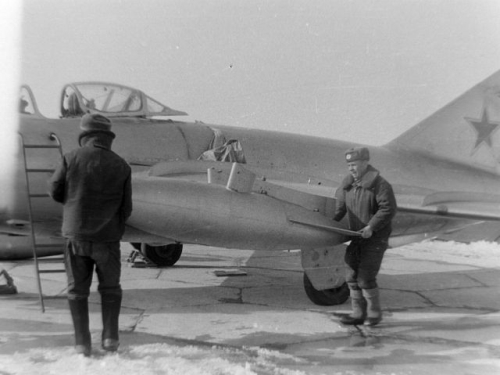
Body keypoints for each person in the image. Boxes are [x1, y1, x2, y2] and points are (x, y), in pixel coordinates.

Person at [48, 113, 132, 356]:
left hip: (76, 238)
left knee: (77, 291)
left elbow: (55, 190)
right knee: (111, 289)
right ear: (108, 138)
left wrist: (74, 205)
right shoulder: (121, 165)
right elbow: (127, 209)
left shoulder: (70, 158)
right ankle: (110, 340)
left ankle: (82, 343)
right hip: (107, 240)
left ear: (84, 135)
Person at [333, 147, 397, 326]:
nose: (351, 169)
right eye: (349, 165)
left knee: (365, 278)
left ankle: (374, 314)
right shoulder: (347, 185)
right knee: (351, 275)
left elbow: (388, 209)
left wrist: (371, 226)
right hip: (357, 237)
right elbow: (339, 210)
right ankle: (358, 314)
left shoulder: (380, 184)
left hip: (375, 238)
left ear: (365, 163)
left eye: (354, 165)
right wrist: (331, 223)